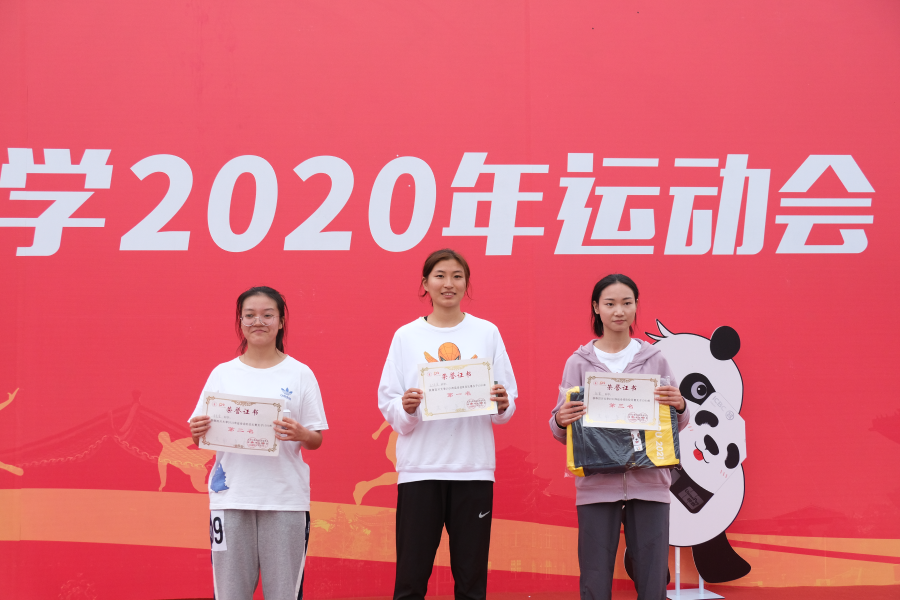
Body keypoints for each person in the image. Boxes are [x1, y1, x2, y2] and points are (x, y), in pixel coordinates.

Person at [378, 249, 518, 600]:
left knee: (471, 580)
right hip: (420, 470)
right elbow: (389, 402)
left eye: (457, 276)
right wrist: (407, 408)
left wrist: (502, 403)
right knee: (411, 579)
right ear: (425, 283)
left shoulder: (486, 332)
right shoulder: (406, 336)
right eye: (440, 275)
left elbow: (506, 399)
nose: (448, 284)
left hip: (473, 470)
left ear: (467, 283)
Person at [550, 274, 689, 600]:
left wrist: (681, 406)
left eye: (627, 303)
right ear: (596, 307)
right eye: (610, 303)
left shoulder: (655, 359)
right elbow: (560, 428)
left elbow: (675, 423)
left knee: (653, 580)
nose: (619, 311)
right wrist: (559, 419)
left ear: (636, 306)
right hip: (596, 487)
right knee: (595, 579)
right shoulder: (578, 362)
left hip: (650, 484)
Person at [188, 286, 328, 600]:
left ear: (281, 322)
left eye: (267, 315)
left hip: (284, 499)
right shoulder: (223, 374)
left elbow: (316, 439)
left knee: (284, 594)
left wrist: (301, 434)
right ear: (240, 321)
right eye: (249, 315)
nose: (258, 322)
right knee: (230, 594)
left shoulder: (300, 374)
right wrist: (197, 430)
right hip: (231, 499)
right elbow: (199, 434)